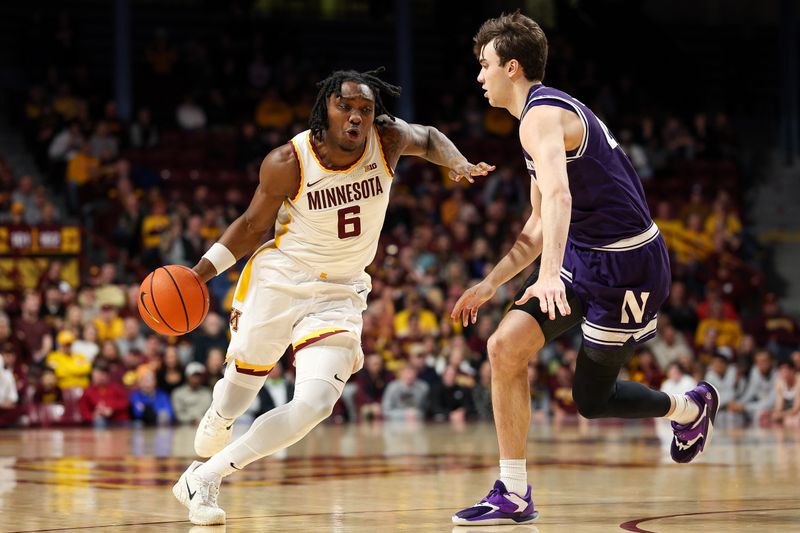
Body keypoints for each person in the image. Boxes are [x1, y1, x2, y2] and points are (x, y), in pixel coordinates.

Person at [173, 67, 493, 526]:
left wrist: (457, 161)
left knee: (316, 404)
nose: (357, 117)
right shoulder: (288, 160)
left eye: (365, 109)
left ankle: (203, 478)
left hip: (340, 290)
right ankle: (221, 413)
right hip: (282, 279)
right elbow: (250, 226)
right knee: (242, 385)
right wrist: (199, 274)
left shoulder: (386, 140)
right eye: (346, 106)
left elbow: (430, 135)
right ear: (326, 107)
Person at [450, 12, 719, 526]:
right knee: (503, 346)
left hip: (629, 267)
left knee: (592, 401)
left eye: (483, 66)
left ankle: (688, 408)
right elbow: (536, 224)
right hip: (582, 256)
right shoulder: (533, 123)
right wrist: (490, 284)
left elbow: (559, 195)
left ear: (511, 67)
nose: (478, 77)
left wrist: (549, 275)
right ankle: (513, 491)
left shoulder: (541, 117)